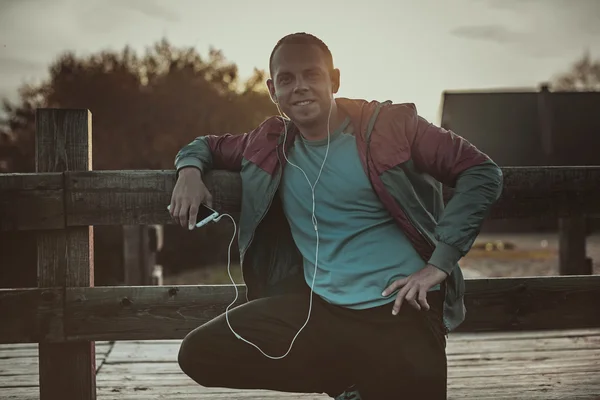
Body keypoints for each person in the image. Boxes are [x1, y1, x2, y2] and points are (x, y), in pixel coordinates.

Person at [169, 32, 503, 400]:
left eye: (312, 75)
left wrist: (439, 263)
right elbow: (205, 145)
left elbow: (481, 172)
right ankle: (349, 384)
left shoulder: (391, 126)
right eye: (286, 79)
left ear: (335, 79)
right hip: (322, 312)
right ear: (272, 90)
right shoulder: (268, 143)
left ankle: (367, 381)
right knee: (199, 353)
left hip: (402, 312)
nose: (300, 87)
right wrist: (189, 172)